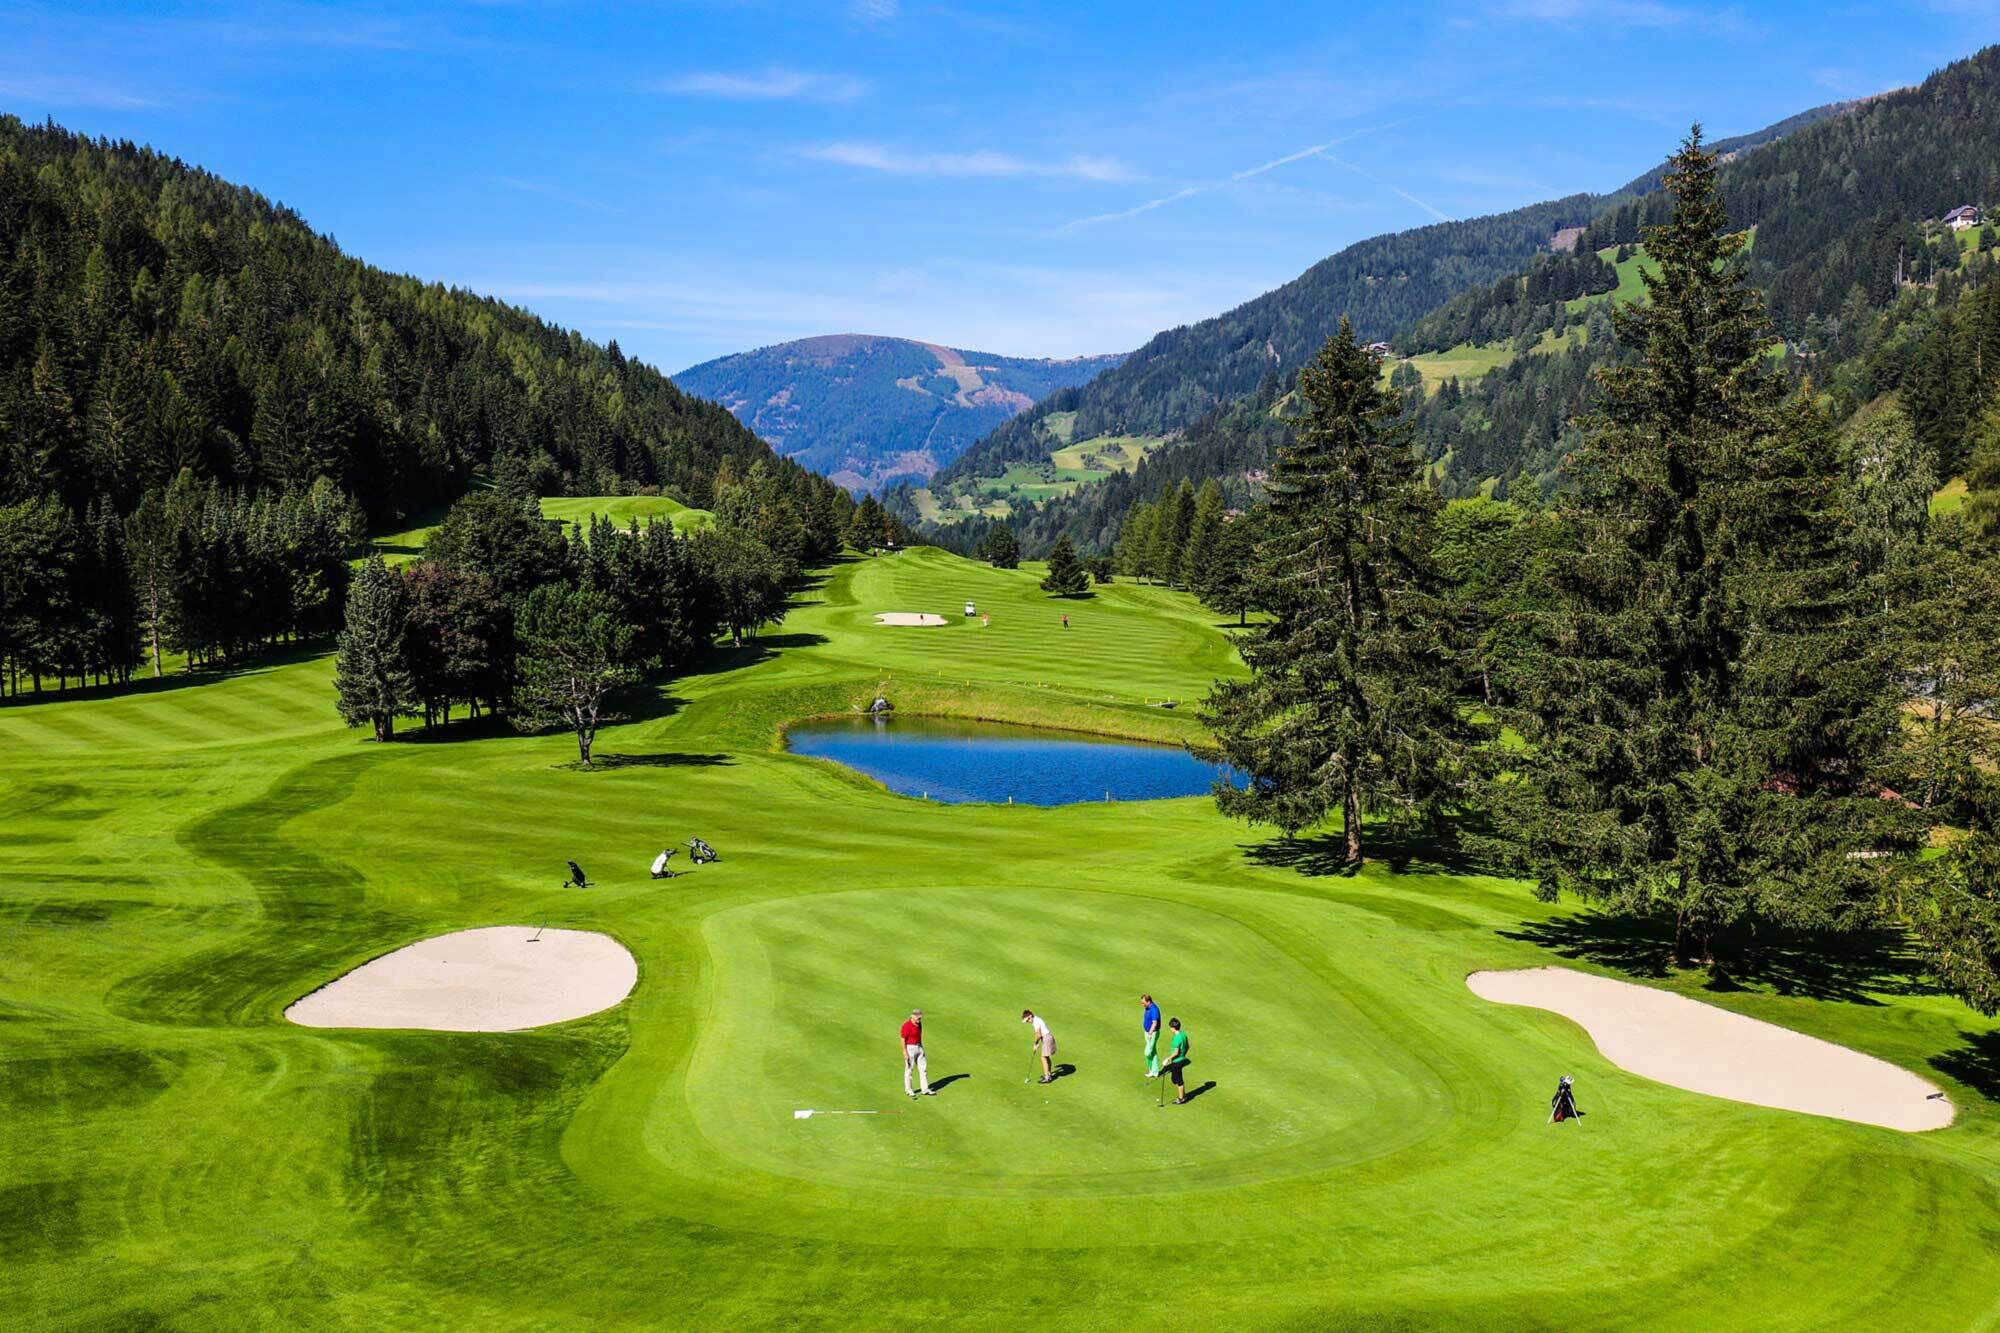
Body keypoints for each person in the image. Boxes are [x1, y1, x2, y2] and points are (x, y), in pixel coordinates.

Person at [900, 1008, 935, 1099]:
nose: (919, 1020)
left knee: (923, 1069)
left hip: (919, 1047)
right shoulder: (906, 1025)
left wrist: (921, 1048)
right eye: (918, 1018)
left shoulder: (919, 1024)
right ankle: (909, 1090)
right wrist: (905, 1052)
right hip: (910, 1048)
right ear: (912, 1016)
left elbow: (919, 1036)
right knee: (909, 1069)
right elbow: (903, 1039)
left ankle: (925, 1089)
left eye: (920, 1018)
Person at [1022, 1009, 1056, 1083]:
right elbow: (1039, 1035)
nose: (1028, 1022)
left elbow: (1038, 1034)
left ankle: (1047, 1077)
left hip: (1046, 1038)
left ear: (1030, 1016)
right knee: (1046, 1056)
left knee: (1043, 1057)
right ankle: (1048, 1074)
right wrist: (1037, 1043)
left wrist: (1035, 1044)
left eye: (1027, 1020)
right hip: (1048, 1037)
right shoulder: (1037, 1019)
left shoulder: (1036, 1022)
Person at [1163, 1017, 1191, 1104]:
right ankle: (1183, 1095)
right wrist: (1184, 1054)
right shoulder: (1183, 1035)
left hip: (1177, 1062)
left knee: (1178, 1081)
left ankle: (1181, 1098)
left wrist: (1168, 1059)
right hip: (1181, 1060)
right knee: (1176, 1079)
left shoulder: (1176, 1039)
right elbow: (1188, 1045)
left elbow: (1176, 1053)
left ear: (1173, 1028)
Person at [1141, 994, 1162, 1079]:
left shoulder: (1154, 1009)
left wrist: (1150, 1033)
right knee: (1153, 1051)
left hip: (1152, 1033)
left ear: (1148, 1001)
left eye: (1143, 1003)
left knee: (1147, 1053)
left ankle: (1152, 1071)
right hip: (1147, 1032)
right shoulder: (1147, 1007)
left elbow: (1155, 1023)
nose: (1142, 1004)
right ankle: (1155, 1071)